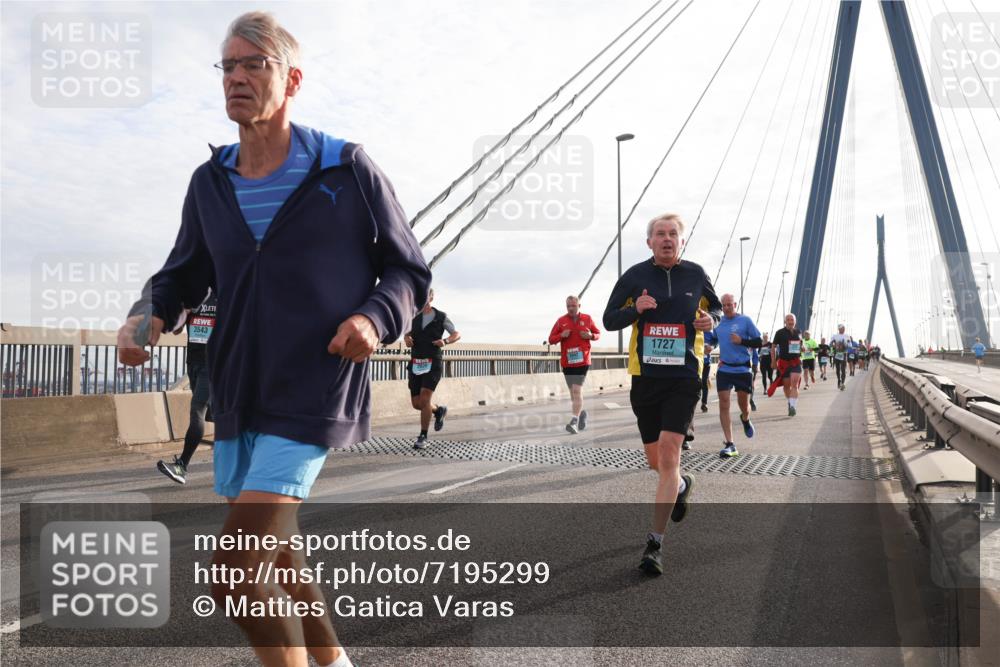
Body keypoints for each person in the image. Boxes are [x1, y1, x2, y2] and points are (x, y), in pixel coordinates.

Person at [116, 13, 431, 667]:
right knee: (279, 548)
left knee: (234, 572)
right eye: (227, 65)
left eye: (252, 64)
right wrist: (146, 315)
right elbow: (179, 274)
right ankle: (334, 658)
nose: (235, 77)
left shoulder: (345, 169)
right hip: (238, 388)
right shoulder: (210, 183)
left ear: (291, 80)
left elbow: (408, 270)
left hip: (314, 386)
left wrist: (374, 317)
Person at [603, 213, 722, 576]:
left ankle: (654, 543)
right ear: (649, 242)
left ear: (681, 241)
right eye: (660, 234)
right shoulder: (635, 276)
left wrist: (711, 321)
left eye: (673, 234)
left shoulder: (696, 274)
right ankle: (683, 484)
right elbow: (609, 319)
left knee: (669, 458)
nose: (667, 239)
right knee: (657, 464)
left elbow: (715, 307)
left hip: (684, 378)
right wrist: (633, 309)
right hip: (646, 378)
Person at [157, 291, 218, 483]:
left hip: (214, 364)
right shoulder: (195, 296)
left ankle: (182, 466)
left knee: (197, 410)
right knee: (211, 414)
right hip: (193, 363)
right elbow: (175, 329)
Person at [704, 294, 761, 458]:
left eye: (730, 304)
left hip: (742, 369)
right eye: (724, 305)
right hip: (724, 369)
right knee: (724, 403)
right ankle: (730, 444)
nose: (727, 308)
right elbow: (714, 339)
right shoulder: (719, 323)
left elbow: (759, 342)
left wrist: (742, 341)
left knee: (744, 405)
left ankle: (745, 418)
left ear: (735, 304)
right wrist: (710, 346)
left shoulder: (745, 321)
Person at [405, 289, 460, 449]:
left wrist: (446, 341)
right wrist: (407, 338)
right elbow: (407, 334)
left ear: (431, 297)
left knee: (425, 399)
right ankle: (438, 410)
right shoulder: (413, 316)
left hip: (433, 363)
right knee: (417, 404)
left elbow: (456, 333)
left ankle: (423, 436)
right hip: (416, 362)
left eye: (426, 296)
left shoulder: (441, 316)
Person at [548, 295, 601, 434]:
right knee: (573, 394)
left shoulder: (587, 319)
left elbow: (598, 333)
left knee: (577, 391)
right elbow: (551, 339)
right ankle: (581, 413)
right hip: (568, 362)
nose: (571, 308)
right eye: (568, 306)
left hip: (582, 361)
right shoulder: (561, 321)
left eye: (573, 306)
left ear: (579, 306)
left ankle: (573, 422)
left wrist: (590, 336)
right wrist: (561, 336)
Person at [767, 314, 803, 416]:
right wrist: (773, 361)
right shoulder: (779, 333)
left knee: (795, 385)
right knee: (786, 387)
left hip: (795, 361)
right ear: (785, 321)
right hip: (784, 363)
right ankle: (790, 402)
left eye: (792, 320)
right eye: (788, 320)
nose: (790, 321)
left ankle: (792, 406)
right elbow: (773, 347)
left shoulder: (798, 331)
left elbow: (801, 343)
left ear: (795, 321)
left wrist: (802, 347)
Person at [829, 324, 851, 390]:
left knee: (843, 369)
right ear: (839, 329)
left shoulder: (847, 336)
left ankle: (842, 383)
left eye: (844, 328)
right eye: (841, 328)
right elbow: (830, 344)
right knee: (838, 369)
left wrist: (847, 345)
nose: (843, 329)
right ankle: (839, 380)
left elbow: (850, 344)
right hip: (837, 354)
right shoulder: (835, 336)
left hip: (844, 354)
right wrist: (833, 345)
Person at [700, 343, 713, 413]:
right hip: (696, 361)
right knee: (695, 382)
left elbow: (715, 342)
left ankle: (704, 403)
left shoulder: (710, 332)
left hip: (706, 363)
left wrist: (710, 347)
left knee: (704, 382)